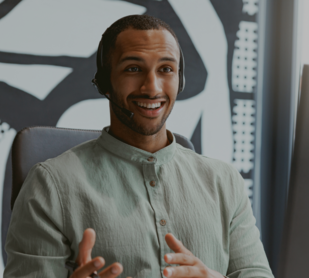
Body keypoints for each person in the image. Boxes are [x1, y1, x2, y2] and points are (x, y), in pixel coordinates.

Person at [4, 15, 273, 278]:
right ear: (105, 82)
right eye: (133, 69)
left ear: (180, 81)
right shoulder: (49, 185)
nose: (152, 87)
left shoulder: (224, 182)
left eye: (166, 69)